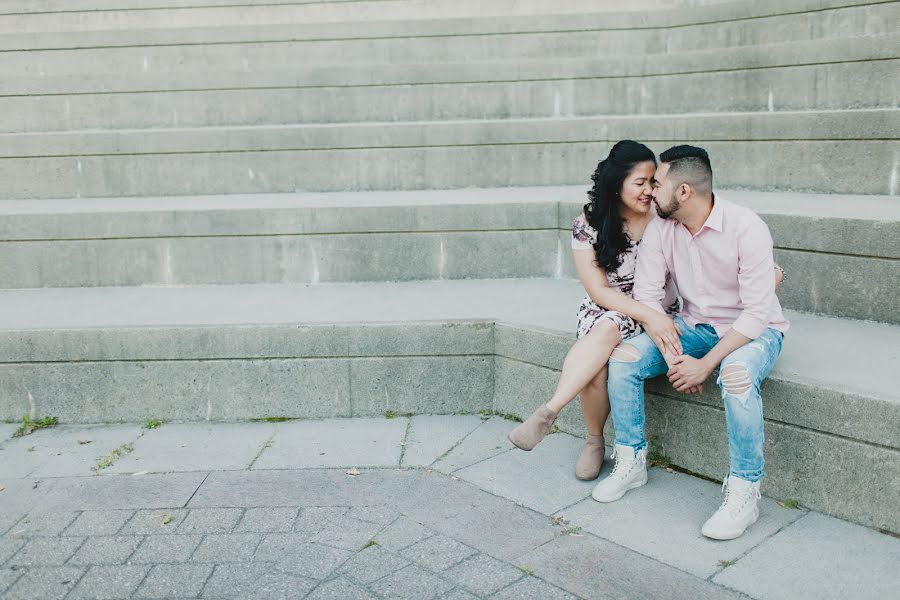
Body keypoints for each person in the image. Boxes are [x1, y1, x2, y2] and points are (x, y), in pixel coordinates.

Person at [591, 145, 790, 541]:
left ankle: (745, 492)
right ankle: (631, 460)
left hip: (754, 330)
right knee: (625, 357)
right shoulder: (662, 229)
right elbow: (648, 297)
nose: (651, 191)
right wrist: (676, 355)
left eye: (658, 183)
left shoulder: (746, 226)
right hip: (693, 326)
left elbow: (755, 313)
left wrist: (707, 364)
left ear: (683, 191)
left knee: (734, 375)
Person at [507, 140, 684, 480]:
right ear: (617, 183)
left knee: (606, 332)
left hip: (657, 308)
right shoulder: (588, 223)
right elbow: (598, 290)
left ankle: (550, 412)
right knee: (602, 349)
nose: (649, 190)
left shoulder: (661, 217)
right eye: (640, 183)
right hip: (608, 305)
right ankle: (593, 442)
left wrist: (649, 314)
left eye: (653, 182)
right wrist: (642, 314)